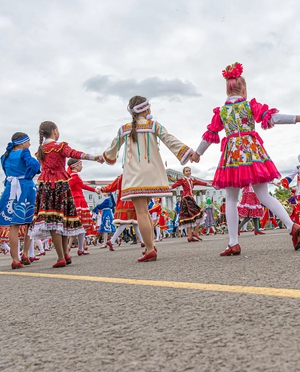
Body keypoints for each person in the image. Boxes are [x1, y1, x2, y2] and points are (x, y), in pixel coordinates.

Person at [191, 62, 300, 256]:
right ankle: (291, 226)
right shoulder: (250, 106)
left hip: (233, 156)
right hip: (253, 153)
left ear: (228, 89)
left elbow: (210, 134)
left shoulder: (222, 112)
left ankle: (233, 242)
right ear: (244, 88)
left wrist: (198, 153)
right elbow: (273, 118)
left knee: (231, 198)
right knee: (264, 195)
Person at [103, 96, 193, 262]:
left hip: (135, 176)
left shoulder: (124, 129)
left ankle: (150, 248)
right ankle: (150, 245)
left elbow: (112, 150)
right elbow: (169, 139)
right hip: (152, 174)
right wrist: (188, 152)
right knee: (145, 213)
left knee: (142, 212)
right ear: (145, 109)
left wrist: (105, 157)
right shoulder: (154, 125)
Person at [31, 121, 103, 268]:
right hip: (61, 185)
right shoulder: (60, 147)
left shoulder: (40, 150)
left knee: (53, 221)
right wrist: (94, 157)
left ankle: (62, 256)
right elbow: (75, 154)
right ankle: (63, 255)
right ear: (55, 131)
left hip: (46, 186)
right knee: (62, 219)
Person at [67, 158, 99, 256]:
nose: (82, 166)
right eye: (80, 165)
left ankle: (79, 248)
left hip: (75, 200)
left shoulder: (70, 176)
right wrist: (95, 190)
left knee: (80, 227)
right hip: (78, 201)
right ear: (75, 166)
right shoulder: (75, 176)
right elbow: (83, 186)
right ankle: (74, 248)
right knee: (79, 226)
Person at [170, 168, 209, 242]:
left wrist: (211, 185)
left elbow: (202, 183)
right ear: (184, 173)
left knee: (192, 216)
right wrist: (169, 188)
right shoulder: (182, 180)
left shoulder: (192, 180)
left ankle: (191, 236)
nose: (188, 172)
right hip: (186, 199)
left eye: (189, 171)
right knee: (197, 214)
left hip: (190, 198)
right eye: (186, 171)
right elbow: (175, 185)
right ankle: (193, 233)